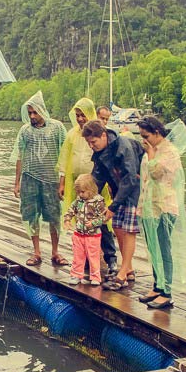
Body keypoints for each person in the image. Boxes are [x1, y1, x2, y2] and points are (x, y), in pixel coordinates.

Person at [137, 116, 186, 309]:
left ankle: (167, 291)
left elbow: (156, 174)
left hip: (165, 206)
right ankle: (157, 285)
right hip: (149, 205)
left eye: (146, 136)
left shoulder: (170, 151)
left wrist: (150, 153)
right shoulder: (152, 150)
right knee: (152, 247)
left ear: (157, 133)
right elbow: (145, 178)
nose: (143, 140)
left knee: (163, 247)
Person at [57, 97, 117, 276]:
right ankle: (85, 260)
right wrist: (61, 183)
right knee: (81, 220)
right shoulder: (71, 134)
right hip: (78, 187)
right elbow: (64, 159)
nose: (80, 118)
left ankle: (110, 258)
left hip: (98, 184)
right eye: (77, 115)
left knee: (102, 219)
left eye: (83, 115)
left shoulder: (100, 132)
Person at [82, 120, 143, 290]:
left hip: (136, 189)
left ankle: (122, 273)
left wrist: (112, 207)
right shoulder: (100, 152)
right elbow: (97, 179)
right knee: (117, 227)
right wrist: (86, 200)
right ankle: (128, 268)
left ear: (103, 135)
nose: (91, 146)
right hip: (118, 189)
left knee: (128, 230)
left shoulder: (123, 146)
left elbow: (130, 178)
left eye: (93, 142)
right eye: (88, 143)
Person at [11, 91, 68, 266]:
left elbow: (65, 155)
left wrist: (62, 182)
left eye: (35, 112)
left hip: (51, 179)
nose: (32, 116)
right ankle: (36, 252)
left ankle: (55, 252)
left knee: (53, 215)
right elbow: (20, 156)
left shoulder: (57, 128)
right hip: (30, 178)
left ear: (42, 110)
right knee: (31, 215)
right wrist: (17, 182)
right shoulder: (25, 131)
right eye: (29, 113)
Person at [63, 174, 106, 286]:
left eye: (82, 192)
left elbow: (103, 217)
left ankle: (95, 276)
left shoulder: (98, 202)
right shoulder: (78, 201)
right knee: (78, 255)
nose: (80, 194)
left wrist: (93, 223)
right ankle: (76, 275)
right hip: (78, 233)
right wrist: (67, 220)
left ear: (91, 190)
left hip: (93, 235)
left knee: (93, 256)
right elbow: (71, 210)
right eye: (78, 192)